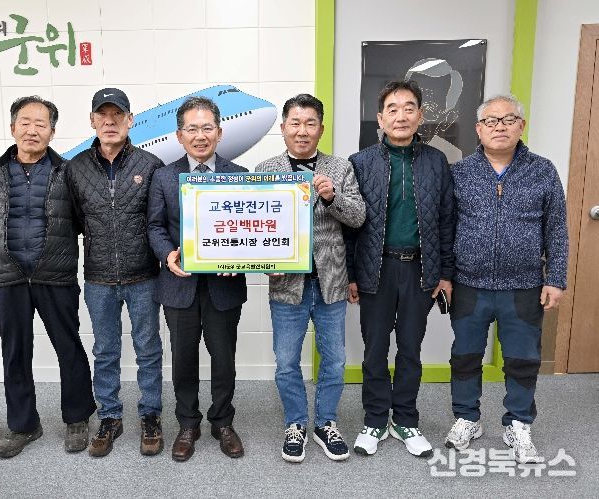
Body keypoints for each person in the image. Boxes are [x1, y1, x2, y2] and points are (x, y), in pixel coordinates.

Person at [0, 96, 96, 458]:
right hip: (5, 278)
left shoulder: (68, 172)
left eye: (41, 124)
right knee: (14, 353)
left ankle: (77, 417)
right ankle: (24, 425)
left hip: (55, 275)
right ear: (13, 128)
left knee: (68, 346)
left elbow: (85, 222)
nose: (32, 130)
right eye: (25, 122)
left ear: (52, 132)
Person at [445, 95, 568, 464]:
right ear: (479, 129)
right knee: (465, 356)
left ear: (521, 126)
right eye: (491, 121)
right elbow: (445, 229)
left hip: (524, 286)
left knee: (522, 358)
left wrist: (555, 278)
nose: (499, 127)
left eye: (508, 119)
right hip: (469, 284)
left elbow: (557, 229)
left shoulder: (542, 171)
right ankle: (467, 418)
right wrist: (445, 276)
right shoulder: (460, 172)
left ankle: (518, 423)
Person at [345, 80, 454, 458]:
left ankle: (406, 419)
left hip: (420, 270)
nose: (401, 116)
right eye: (392, 109)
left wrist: (445, 273)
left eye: (409, 108)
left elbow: (446, 221)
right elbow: (350, 225)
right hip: (375, 269)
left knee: (410, 349)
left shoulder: (436, 161)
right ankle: (375, 419)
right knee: (375, 350)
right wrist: (352, 275)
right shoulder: (360, 163)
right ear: (380, 119)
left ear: (420, 116)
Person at [255, 94, 365, 463]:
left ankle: (326, 423)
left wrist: (332, 197)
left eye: (310, 123)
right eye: (295, 123)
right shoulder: (266, 169)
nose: (302, 131)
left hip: (331, 280)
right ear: (283, 128)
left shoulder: (340, 167)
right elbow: (256, 228)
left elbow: (358, 217)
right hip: (286, 284)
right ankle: (296, 423)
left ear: (321, 128)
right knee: (287, 361)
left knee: (334, 359)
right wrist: (264, 263)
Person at [66, 88, 165, 457]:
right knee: (105, 351)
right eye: (102, 115)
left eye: (117, 115)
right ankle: (110, 416)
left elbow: (158, 221)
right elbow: (74, 221)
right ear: (92, 121)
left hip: (144, 276)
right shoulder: (75, 168)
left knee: (148, 349)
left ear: (130, 120)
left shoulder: (150, 165)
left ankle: (150, 415)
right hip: (98, 278)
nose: (110, 122)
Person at [147, 96, 247, 462]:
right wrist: (167, 254)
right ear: (179, 135)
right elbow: (155, 226)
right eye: (192, 129)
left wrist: (240, 259)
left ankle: (223, 422)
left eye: (207, 128)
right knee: (183, 359)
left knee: (224, 359)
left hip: (224, 285)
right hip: (179, 283)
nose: (200, 136)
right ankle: (188, 424)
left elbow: (248, 228)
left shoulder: (240, 175)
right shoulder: (163, 176)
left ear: (219, 133)